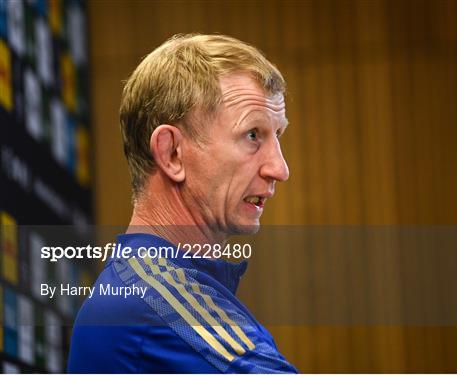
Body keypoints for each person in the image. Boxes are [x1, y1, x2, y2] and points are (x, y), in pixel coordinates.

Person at [67, 34, 297, 373]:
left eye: (277, 136)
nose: (280, 168)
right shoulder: (153, 302)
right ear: (171, 153)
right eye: (253, 135)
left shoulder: (147, 288)